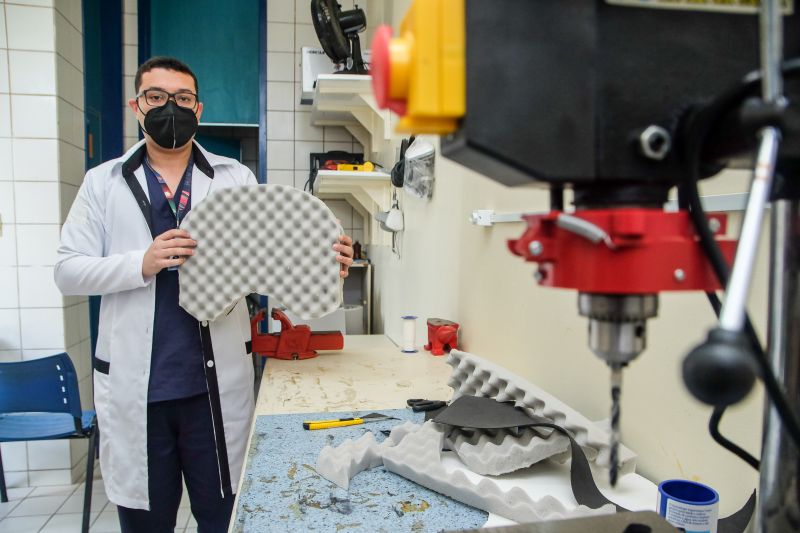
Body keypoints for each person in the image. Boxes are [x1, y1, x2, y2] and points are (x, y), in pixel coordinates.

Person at [55, 56, 354, 532]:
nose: (169, 107)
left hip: (213, 389)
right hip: (141, 391)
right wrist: (142, 262)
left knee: (224, 517)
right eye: (156, 97)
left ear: (199, 108)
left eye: (183, 99)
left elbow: (269, 267)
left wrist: (323, 267)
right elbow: (68, 271)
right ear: (137, 106)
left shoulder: (233, 178)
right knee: (148, 522)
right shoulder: (103, 183)